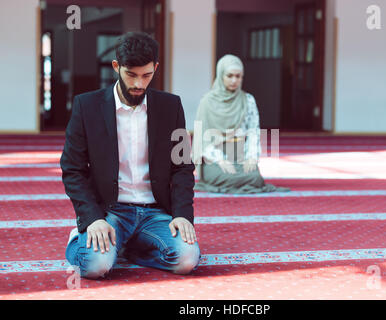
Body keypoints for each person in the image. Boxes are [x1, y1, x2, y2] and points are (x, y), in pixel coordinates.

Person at [61, 31, 200, 279]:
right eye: (131, 75)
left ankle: (131, 248)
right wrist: (91, 218)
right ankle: (80, 237)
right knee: (95, 265)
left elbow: (182, 166)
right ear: (116, 66)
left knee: (186, 261)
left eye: (146, 75)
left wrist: (182, 215)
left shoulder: (171, 106)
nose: (138, 84)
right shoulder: (87, 106)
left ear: (155, 68)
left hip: (156, 212)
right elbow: (73, 169)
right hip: (110, 211)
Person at [192, 54, 290, 194]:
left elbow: (253, 131)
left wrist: (251, 158)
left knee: (255, 178)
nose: (234, 80)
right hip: (213, 157)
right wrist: (221, 161)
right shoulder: (206, 102)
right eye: (229, 75)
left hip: (240, 154)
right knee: (224, 176)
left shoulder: (247, 100)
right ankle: (225, 177)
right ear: (221, 75)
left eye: (238, 76)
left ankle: (235, 179)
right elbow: (203, 140)